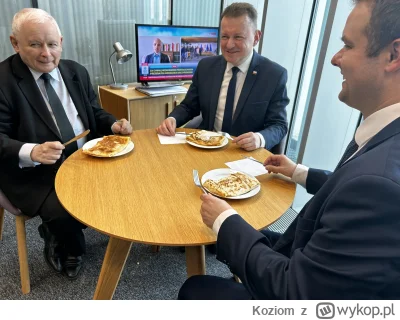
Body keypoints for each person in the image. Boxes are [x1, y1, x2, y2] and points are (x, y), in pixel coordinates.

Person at [178, 0, 400, 299]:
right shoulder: (382, 135)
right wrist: (300, 172)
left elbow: (295, 293)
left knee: (196, 287)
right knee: (224, 234)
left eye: (347, 44)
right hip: (306, 247)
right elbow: (347, 187)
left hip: (297, 281)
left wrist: (224, 219)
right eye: (224, 36)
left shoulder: (379, 183)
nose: (335, 58)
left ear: (393, 54)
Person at [0, 8, 132, 280]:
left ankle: (72, 230)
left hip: (87, 156)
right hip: (36, 172)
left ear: (61, 41)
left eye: (52, 44)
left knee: (130, 180)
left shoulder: (76, 71)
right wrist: (32, 151)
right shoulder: (3, 81)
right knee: (63, 212)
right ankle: (67, 244)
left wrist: (112, 124)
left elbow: (94, 112)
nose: (46, 53)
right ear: (15, 43)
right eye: (35, 44)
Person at [157, 3, 289, 152]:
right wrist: (172, 119)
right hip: (206, 147)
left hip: (245, 155)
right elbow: (189, 106)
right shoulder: (206, 67)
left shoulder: (274, 75)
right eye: (225, 36)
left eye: (238, 37)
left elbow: (279, 125)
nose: (229, 44)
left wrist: (259, 138)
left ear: (256, 37)